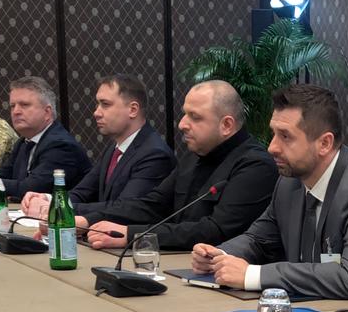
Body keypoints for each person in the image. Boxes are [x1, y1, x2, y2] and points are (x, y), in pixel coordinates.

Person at [192, 84, 348, 308]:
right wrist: (219, 256)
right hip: (317, 311)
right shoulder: (289, 183)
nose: (272, 147)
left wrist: (253, 274)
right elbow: (258, 239)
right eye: (274, 134)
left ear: (324, 143)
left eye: (285, 136)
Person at [76, 80, 277, 252]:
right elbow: (152, 206)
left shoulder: (255, 165)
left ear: (226, 125)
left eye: (195, 117)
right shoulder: (195, 155)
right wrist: (88, 220)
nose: (181, 124)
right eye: (184, 114)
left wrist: (132, 234)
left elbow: (215, 231)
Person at [20, 74, 173, 218]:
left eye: (105, 105)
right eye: (98, 104)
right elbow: (83, 192)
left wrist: (59, 207)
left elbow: (124, 209)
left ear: (132, 110)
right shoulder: (114, 148)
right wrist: (50, 199)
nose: (96, 113)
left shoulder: (154, 154)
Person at [0, 76, 89, 197]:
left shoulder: (61, 145)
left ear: (47, 112)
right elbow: (6, 176)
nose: (16, 111)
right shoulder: (24, 141)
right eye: (13, 106)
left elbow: (33, 187)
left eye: (24, 105)